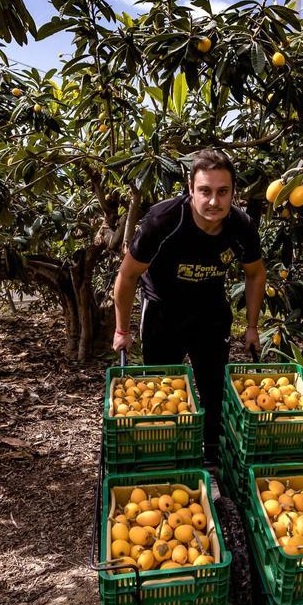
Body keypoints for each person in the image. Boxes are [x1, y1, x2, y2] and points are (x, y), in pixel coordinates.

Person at [112, 149, 267, 464]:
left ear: (233, 192)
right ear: (190, 188)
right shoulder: (162, 221)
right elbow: (127, 277)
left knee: (214, 391)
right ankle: (169, 457)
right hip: (163, 314)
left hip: (210, 313)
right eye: (205, 191)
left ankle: (210, 458)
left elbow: (255, 273)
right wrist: (121, 330)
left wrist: (251, 327)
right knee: (163, 391)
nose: (214, 201)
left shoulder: (241, 225)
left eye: (223, 192)